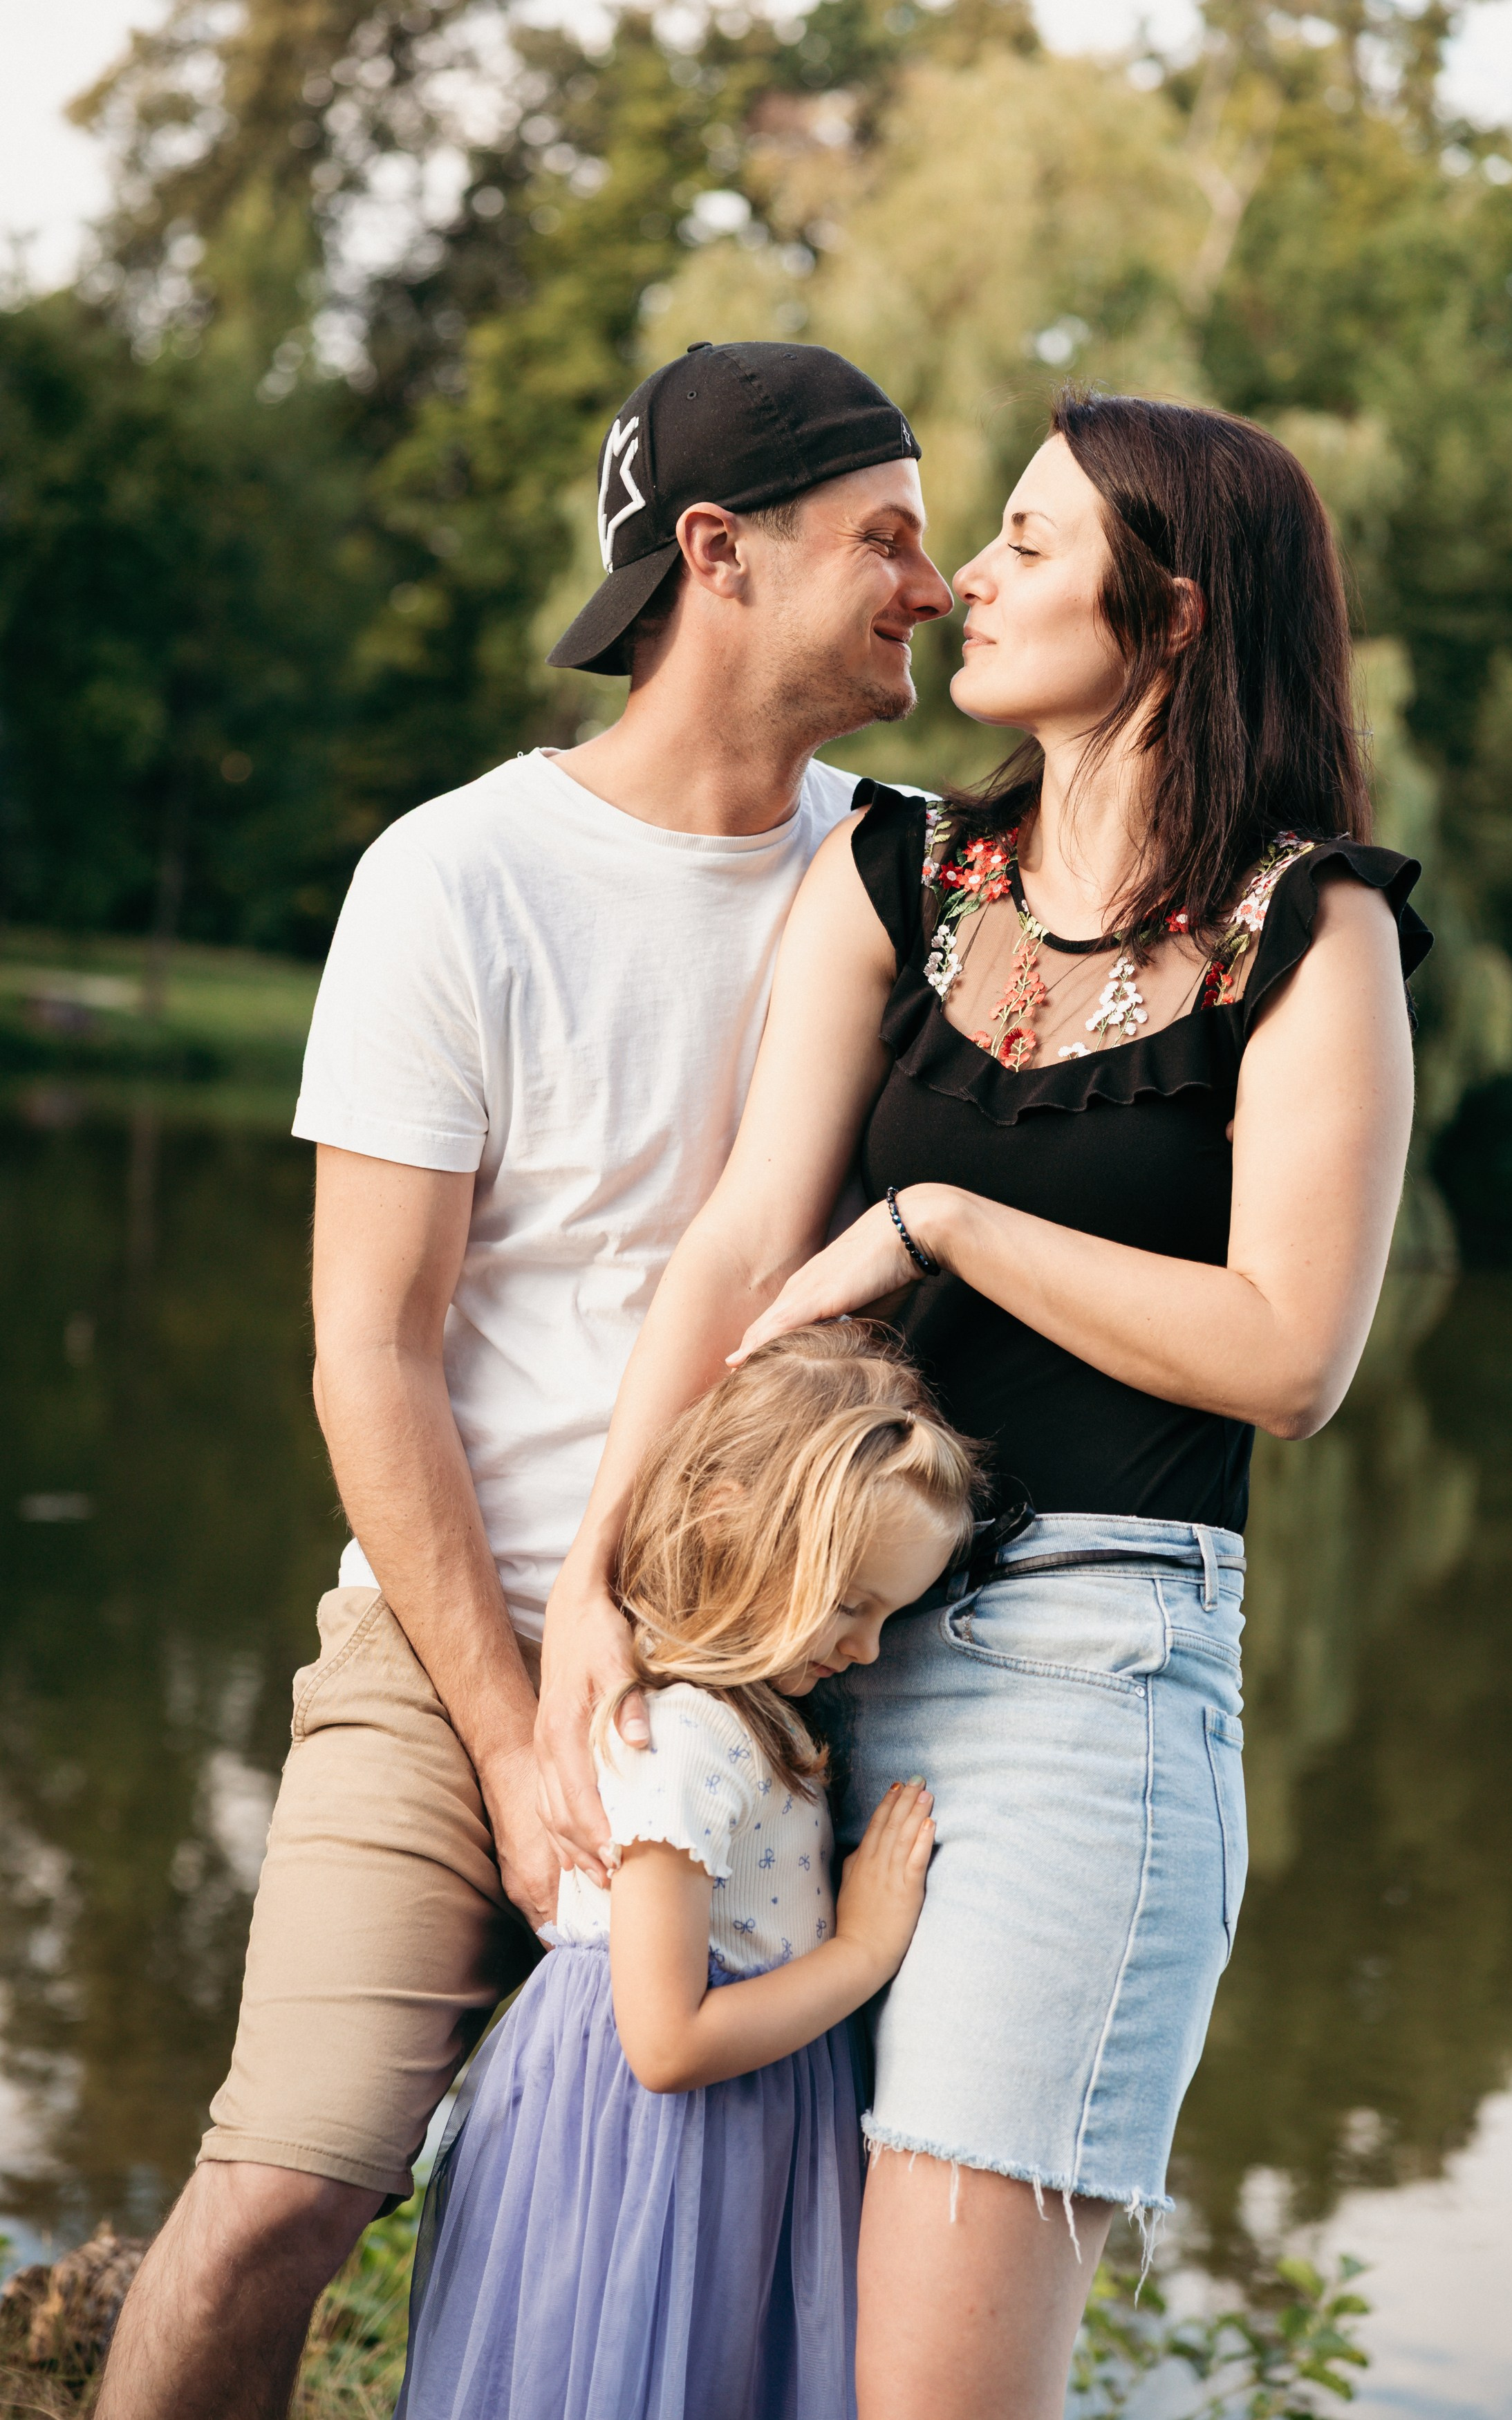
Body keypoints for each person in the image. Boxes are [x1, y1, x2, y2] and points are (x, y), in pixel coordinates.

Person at [536, 391, 1434, 2420]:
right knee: (740, 2341)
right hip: (798, 1675)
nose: (962, 582)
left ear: (1173, 615)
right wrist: (599, 1586)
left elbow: (1289, 1353)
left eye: (1026, 543)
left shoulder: (1311, 929)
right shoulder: (898, 873)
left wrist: (942, 1217)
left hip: (1080, 1695)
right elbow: (736, 1247)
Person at [97, 342, 951, 2420]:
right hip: (457, 1634)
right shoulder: (454, 879)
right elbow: (368, 1352)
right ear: (718, 556)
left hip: (802, 1668)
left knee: (798, 2234)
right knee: (284, 2190)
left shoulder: (920, 872)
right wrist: (507, 1732)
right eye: (887, 539)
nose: (929, 585)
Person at [395, 1323, 976, 2419]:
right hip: (647, 2149)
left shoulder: (761, 1730)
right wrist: (864, 1950)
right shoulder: (688, 1746)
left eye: (890, 1615)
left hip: (737, 2130)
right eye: (852, 1603)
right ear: (730, 1527)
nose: (865, 1647)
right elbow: (663, 2045)